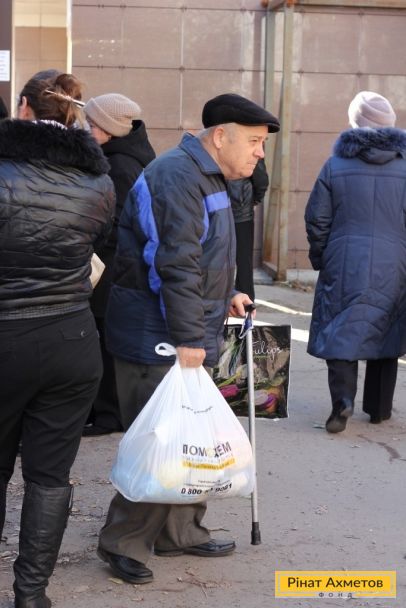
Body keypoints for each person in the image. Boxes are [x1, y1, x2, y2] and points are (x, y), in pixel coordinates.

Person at [97, 93, 280, 584]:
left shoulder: (209, 176)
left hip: (183, 327)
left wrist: (229, 293)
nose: (260, 152)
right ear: (220, 137)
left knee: (190, 437)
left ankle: (180, 532)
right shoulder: (177, 176)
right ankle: (123, 541)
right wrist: (189, 336)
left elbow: (203, 255)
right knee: (160, 440)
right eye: (255, 142)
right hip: (156, 333)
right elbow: (173, 263)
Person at [0, 72, 115, 607]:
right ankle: (31, 595)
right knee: (50, 475)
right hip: (71, 338)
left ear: (23, 107)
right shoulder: (98, 180)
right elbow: (102, 245)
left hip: (7, 336)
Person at [305, 90, 406, 434]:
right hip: (395, 262)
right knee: (387, 327)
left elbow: (317, 219)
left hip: (344, 260)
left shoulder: (335, 165)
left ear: (354, 124)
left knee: (341, 328)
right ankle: (378, 409)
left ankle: (342, 403)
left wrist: (321, 255)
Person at [83, 93, 156, 436]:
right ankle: (105, 410)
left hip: (113, 266)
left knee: (105, 338)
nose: (87, 130)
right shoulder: (127, 157)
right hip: (117, 265)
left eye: (91, 124)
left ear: (108, 128)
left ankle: (109, 414)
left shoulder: (121, 165)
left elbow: (120, 221)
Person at [228, 158, 269, 300]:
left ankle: (215, 299)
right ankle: (246, 302)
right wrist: (255, 199)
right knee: (244, 260)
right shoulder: (251, 149)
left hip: (217, 208)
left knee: (214, 255)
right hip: (242, 210)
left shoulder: (215, 147)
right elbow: (261, 180)